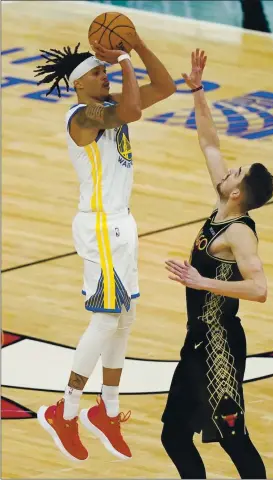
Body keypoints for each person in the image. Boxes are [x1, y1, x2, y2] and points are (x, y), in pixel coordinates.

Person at [34, 34, 175, 462]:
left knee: (125, 317)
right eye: (98, 72)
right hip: (99, 224)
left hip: (121, 224)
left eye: (107, 70)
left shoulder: (108, 108)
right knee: (105, 319)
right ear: (79, 83)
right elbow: (131, 108)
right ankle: (66, 410)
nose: (105, 74)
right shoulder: (83, 115)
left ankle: (106, 410)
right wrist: (127, 61)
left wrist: (138, 43)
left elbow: (166, 88)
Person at [161, 49, 273, 479]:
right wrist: (197, 90)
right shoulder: (222, 204)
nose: (227, 171)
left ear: (236, 193)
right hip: (198, 340)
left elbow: (259, 290)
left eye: (235, 173)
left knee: (233, 437)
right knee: (174, 435)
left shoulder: (239, 232)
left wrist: (201, 281)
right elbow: (209, 141)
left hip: (221, 346)